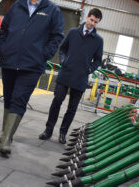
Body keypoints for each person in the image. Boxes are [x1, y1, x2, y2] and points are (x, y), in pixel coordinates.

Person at [0, 0, 64, 156]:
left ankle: (5, 141)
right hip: (10, 61)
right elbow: (4, 30)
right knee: (8, 98)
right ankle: (5, 133)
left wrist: (43, 55)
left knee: (19, 99)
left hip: (32, 66)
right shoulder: (16, 6)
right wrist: (3, 49)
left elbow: (56, 37)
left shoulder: (52, 10)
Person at [39, 8, 103, 144]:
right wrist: (62, 60)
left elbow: (98, 60)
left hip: (81, 78)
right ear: (87, 17)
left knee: (72, 108)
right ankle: (48, 130)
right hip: (66, 73)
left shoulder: (98, 40)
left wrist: (89, 69)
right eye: (91, 20)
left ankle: (63, 133)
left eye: (96, 22)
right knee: (56, 102)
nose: (92, 24)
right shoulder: (73, 32)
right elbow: (63, 48)